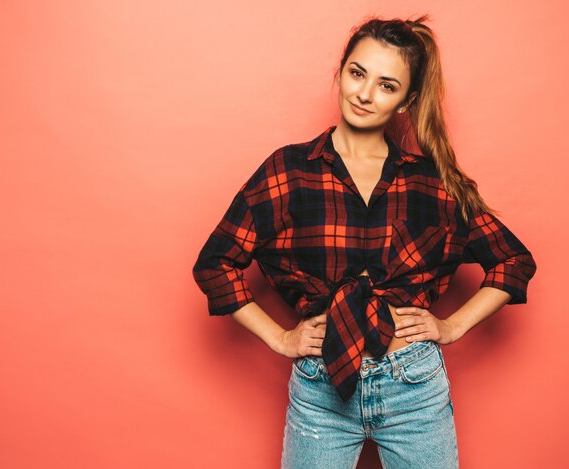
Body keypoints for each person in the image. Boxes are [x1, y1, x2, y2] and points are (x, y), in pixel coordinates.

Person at [192, 14, 537, 469]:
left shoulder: (430, 182)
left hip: (414, 387)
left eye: (386, 85)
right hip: (320, 392)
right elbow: (216, 263)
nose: (364, 93)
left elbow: (513, 261)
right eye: (357, 73)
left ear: (405, 102)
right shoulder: (289, 170)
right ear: (340, 71)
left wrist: (451, 327)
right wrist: (279, 338)